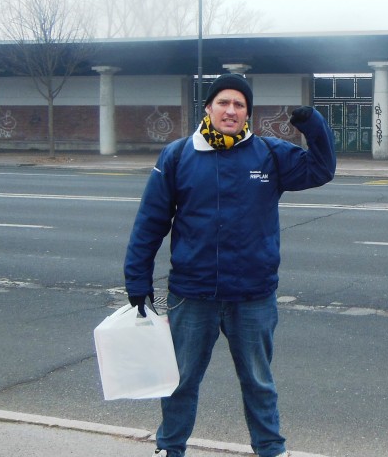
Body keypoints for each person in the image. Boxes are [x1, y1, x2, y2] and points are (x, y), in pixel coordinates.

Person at [123, 73, 336, 457]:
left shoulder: (269, 154)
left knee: (258, 381)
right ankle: (169, 448)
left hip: (252, 295)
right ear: (208, 107)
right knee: (180, 381)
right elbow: (151, 222)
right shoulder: (178, 155)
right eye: (223, 102)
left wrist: (312, 126)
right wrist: (137, 278)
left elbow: (321, 170)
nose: (231, 110)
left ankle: (271, 449)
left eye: (239, 105)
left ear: (247, 115)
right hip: (192, 294)